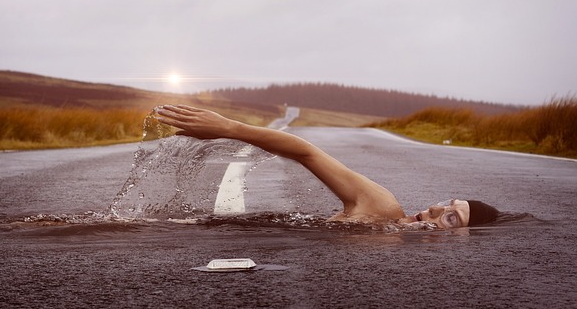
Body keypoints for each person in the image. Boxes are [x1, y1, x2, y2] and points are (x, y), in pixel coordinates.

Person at [156, 104, 500, 228]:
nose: (437, 209)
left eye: (452, 218)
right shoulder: (383, 209)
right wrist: (229, 128)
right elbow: (309, 153)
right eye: (448, 204)